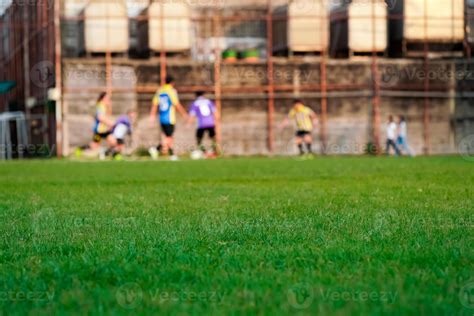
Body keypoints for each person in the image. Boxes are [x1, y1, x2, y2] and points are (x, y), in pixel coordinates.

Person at [149, 75, 187, 161]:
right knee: (169, 137)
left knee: (168, 136)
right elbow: (176, 104)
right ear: (172, 82)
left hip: (161, 117)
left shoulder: (160, 90)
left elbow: (155, 104)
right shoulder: (171, 91)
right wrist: (184, 114)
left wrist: (152, 115)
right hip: (169, 117)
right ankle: (156, 149)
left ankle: (172, 154)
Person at [187, 91, 219, 157]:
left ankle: (203, 151)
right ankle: (215, 150)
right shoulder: (208, 101)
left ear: (196, 96)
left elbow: (192, 115)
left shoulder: (195, 103)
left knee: (199, 138)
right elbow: (215, 112)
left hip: (202, 124)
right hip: (210, 122)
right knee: (213, 137)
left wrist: (188, 123)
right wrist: (216, 120)